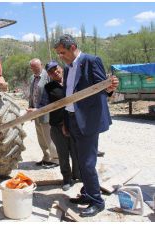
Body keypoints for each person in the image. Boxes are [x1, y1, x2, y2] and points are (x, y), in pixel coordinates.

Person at [53, 34, 119, 217]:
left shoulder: (91, 61)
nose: (61, 56)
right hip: (72, 120)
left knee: (88, 163)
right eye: (59, 53)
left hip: (88, 121)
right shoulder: (67, 69)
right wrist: (66, 121)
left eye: (63, 52)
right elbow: (68, 97)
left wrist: (111, 87)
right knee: (80, 161)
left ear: (73, 47)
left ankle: (97, 201)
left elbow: (103, 88)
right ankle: (87, 193)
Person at [38, 60, 80, 191]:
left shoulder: (71, 82)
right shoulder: (49, 87)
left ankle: (77, 176)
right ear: (49, 75)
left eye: (56, 69)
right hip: (57, 126)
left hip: (74, 124)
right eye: (51, 71)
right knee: (62, 154)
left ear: (60, 68)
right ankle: (67, 179)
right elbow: (43, 104)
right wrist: (35, 110)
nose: (55, 72)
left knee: (76, 152)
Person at [27, 58, 59, 167]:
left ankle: (55, 159)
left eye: (36, 67)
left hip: (46, 112)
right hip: (35, 112)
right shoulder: (32, 78)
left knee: (49, 136)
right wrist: (30, 108)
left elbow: (53, 94)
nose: (34, 69)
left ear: (41, 65)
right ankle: (46, 157)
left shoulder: (48, 76)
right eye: (32, 67)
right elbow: (32, 95)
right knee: (41, 137)